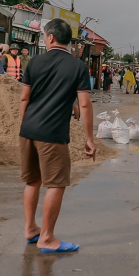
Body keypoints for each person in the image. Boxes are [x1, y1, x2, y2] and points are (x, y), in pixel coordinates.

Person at [19, 18, 94, 253]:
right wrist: (89, 139)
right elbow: (84, 105)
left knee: (33, 181)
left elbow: (24, 98)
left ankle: (31, 229)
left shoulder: (34, 62)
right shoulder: (78, 67)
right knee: (57, 184)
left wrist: (24, 126)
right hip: (52, 134)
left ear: (50, 37)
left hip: (28, 130)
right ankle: (47, 238)